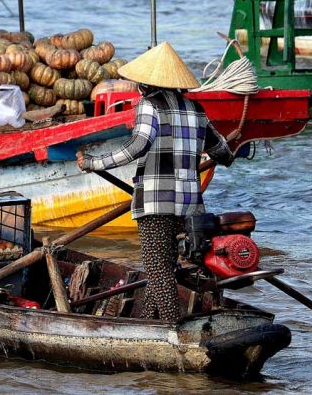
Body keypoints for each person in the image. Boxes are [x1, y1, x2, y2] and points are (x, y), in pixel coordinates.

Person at [76, 42, 234, 321]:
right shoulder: (196, 109)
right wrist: (226, 154)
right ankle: (148, 321)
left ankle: (174, 327)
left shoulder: (149, 105)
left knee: (158, 270)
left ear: (146, 84)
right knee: (166, 267)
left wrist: (93, 163)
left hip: (155, 201)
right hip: (189, 205)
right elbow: (222, 151)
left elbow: (137, 147)